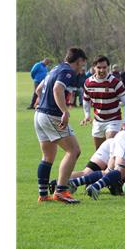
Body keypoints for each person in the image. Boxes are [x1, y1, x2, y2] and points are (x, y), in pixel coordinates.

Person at [34, 47, 87, 203]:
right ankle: (61, 191)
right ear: (78, 62)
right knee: (74, 151)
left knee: (48, 156)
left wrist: (43, 101)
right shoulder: (67, 71)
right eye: (82, 65)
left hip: (39, 116)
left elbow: (39, 90)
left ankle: (43, 195)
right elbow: (57, 89)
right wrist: (64, 111)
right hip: (51, 115)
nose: (81, 69)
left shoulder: (55, 69)